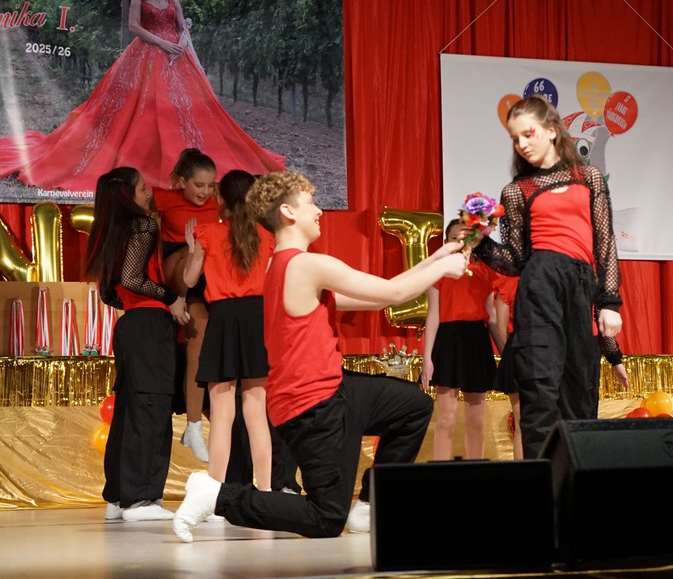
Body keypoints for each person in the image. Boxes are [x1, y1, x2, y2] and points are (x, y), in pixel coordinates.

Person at [172, 171, 469, 542]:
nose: (319, 211)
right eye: (310, 203)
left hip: (332, 390)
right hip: (313, 404)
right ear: (287, 212)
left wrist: (435, 257)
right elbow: (393, 293)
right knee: (326, 519)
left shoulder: (280, 265)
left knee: (413, 407)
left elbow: (376, 297)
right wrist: (442, 268)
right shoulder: (306, 266)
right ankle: (218, 496)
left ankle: (370, 502)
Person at [0, 0, 285, 194]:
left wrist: (180, 44)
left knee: (188, 110)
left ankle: (185, 161)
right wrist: (163, 43)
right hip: (145, 55)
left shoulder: (174, 2)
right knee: (137, 110)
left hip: (176, 58)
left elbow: (182, 28)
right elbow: (134, 27)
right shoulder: (138, 0)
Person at [473, 95, 629, 460]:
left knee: (580, 388)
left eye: (527, 134)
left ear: (552, 130)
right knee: (539, 391)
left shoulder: (588, 176)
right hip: (539, 285)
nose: (521, 144)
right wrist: (478, 241)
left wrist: (608, 302)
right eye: (514, 138)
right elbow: (515, 261)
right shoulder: (517, 190)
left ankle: (578, 480)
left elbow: (605, 242)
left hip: (580, 286)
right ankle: (541, 483)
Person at [83, 167, 188, 522]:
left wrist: (136, 304)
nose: (150, 193)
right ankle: (141, 499)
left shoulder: (109, 230)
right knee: (151, 409)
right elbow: (131, 278)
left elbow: (109, 291)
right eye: (143, 188)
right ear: (128, 195)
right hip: (149, 328)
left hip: (129, 325)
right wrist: (170, 298)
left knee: (129, 411)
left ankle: (118, 497)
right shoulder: (143, 225)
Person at [182, 170, 275, 490]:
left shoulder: (207, 233)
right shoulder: (267, 235)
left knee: (222, 414)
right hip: (257, 319)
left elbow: (189, 280)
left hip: (223, 319)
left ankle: (214, 495)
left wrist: (191, 247)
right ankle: (265, 491)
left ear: (219, 198)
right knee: (256, 411)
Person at [152, 149, 220, 462]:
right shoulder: (166, 198)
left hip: (203, 275)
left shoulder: (216, 200)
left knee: (200, 333)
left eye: (210, 185)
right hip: (176, 269)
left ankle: (194, 425)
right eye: (199, 185)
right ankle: (177, 299)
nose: (205, 192)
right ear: (182, 182)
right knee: (189, 251)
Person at [420, 220, 502, 461]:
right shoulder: (439, 271)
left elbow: (492, 318)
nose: (459, 242)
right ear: (446, 242)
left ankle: (474, 470)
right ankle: (441, 473)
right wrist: (427, 357)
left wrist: (506, 353)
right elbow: (433, 315)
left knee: (476, 419)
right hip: (448, 340)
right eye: (454, 238)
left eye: (464, 237)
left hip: (477, 339)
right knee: (446, 417)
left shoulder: (485, 271)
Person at [493, 274, 524, 460]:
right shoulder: (547, 277)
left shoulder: (507, 283)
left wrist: (510, 352)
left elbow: (501, 326)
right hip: (542, 351)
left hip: (515, 349)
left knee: (521, 422)